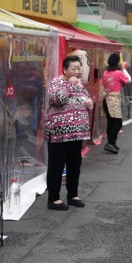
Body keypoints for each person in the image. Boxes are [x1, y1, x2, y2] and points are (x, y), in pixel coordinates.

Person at [44, 55, 92, 210]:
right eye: (74, 69)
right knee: (56, 165)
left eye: (79, 68)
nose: (77, 72)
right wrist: (67, 86)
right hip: (59, 132)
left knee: (74, 165)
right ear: (65, 69)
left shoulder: (79, 83)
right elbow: (56, 100)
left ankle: (73, 195)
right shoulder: (56, 82)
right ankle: (53, 198)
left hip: (77, 132)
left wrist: (89, 102)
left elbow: (85, 97)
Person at [102, 53, 131, 153]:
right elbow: (128, 80)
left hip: (106, 98)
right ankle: (110, 143)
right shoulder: (118, 73)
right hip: (113, 99)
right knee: (118, 123)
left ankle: (112, 143)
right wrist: (123, 69)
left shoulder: (106, 72)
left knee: (111, 122)